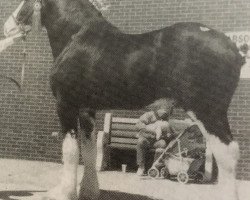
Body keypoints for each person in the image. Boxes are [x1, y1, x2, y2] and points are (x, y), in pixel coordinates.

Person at [136, 107, 197, 176]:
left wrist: (169, 135)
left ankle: (155, 167)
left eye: (167, 111)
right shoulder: (149, 115)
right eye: (163, 110)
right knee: (141, 141)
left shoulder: (167, 119)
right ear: (158, 109)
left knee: (162, 144)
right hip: (146, 139)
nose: (165, 113)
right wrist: (153, 129)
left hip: (157, 141)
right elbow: (138, 125)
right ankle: (141, 166)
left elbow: (171, 133)